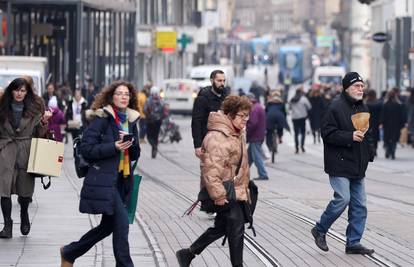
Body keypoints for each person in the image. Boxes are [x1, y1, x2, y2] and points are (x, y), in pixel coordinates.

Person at [60, 81, 140, 267]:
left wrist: (131, 144)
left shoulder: (131, 121)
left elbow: (135, 154)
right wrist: (113, 147)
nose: (123, 97)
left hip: (121, 181)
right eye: (119, 93)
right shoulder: (102, 119)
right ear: (111, 97)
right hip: (104, 180)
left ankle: (70, 252)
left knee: (107, 227)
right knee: (122, 225)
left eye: (126, 94)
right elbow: (87, 149)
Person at [176, 95, 252, 267]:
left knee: (223, 227)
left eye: (247, 115)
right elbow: (210, 169)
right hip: (223, 192)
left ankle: (188, 254)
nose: (245, 119)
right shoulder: (218, 137)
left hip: (234, 190)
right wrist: (218, 195)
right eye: (242, 115)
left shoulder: (237, 133)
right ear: (230, 115)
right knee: (236, 227)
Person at [311, 72, 375, 255]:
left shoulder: (363, 107)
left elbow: (368, 134)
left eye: (362, 86)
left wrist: (369, 154)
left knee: (360, 205)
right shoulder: (335, 107)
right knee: (343, 199)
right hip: (339, 163)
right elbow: (327, 133)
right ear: (346, 88)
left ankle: (353, 242)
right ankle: (320, 229)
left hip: (358, 164)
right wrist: (349, 136)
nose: (360, 89)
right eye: (356, 86)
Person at [0, 78, 52, 238]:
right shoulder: (2, 108)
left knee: (25, 191)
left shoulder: (34, 110)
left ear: (27, 92)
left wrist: (43, 122)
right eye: (16, 90)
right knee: (4, 190)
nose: (19, 93)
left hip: (26, 152)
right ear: (11, 91)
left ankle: (24, 214)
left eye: (23, 90)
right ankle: (7, 224)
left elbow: (39, 133)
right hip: (5, 151)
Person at [191, 70, 229, 158]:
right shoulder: (202, 99)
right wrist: (197, 145)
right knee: (210, 169)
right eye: (219, 81)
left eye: (224, 81)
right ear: (212, 81)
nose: (222, 83)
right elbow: (196, 123)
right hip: (209, 142)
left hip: (225, 142)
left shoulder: (227, 98)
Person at [246, 94, 268, 180]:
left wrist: (246, 131)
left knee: (256, 156)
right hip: (259, 135)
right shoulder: (258, 106)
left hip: (255, 136)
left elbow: (253, 123)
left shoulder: (254, 109)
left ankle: (263, 174)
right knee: (249, 157)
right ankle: (241, 173)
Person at [380, 89, 407, 159]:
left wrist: (381, 123)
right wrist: (402, 124)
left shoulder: (385, 105)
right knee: (394, 139)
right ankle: (393, 152)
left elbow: (383, 115)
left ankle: (387, 151)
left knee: (387, 139)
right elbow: (402, 116)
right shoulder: (399, 105)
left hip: (387, 125)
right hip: (396, 125)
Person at [144, 87, 166, 158]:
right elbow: (164, 111)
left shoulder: (148, 100)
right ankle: (154, 148)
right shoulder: (161, 101)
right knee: (155, 136)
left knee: (150, 136)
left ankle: (154, 147)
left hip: (151, 121)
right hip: (156, 121)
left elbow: (145, 110)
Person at [289, 87, 311, 153]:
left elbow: (289, 108)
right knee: (303, 132)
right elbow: (309, 107)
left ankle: (296, 147)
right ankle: (302, 146)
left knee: (296, 133)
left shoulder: (292, 99)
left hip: (294, 118)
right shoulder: (303, 99)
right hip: (302, 118)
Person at [365, 89, 382, 157]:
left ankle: (370, 149)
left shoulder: (366, 104)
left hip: (368, 122)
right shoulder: (379, 103)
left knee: (369, 136)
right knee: (375, 137)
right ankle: (375, 149)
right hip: (376, 122)